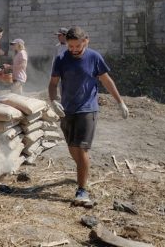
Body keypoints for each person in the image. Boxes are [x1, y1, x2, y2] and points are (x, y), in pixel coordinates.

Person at [48, 26, 129, 205]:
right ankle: (82, 171)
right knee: (72, 147)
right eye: (71, 46)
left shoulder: (94, 57)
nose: (74, 49)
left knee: (82, 148)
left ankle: (82, 190)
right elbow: (53, 84)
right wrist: (54, 101)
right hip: (67, 109)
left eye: (77, 46)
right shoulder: (61, 58)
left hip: (88, 109)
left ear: (86, 41)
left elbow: (107, 80)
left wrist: (120, 102)